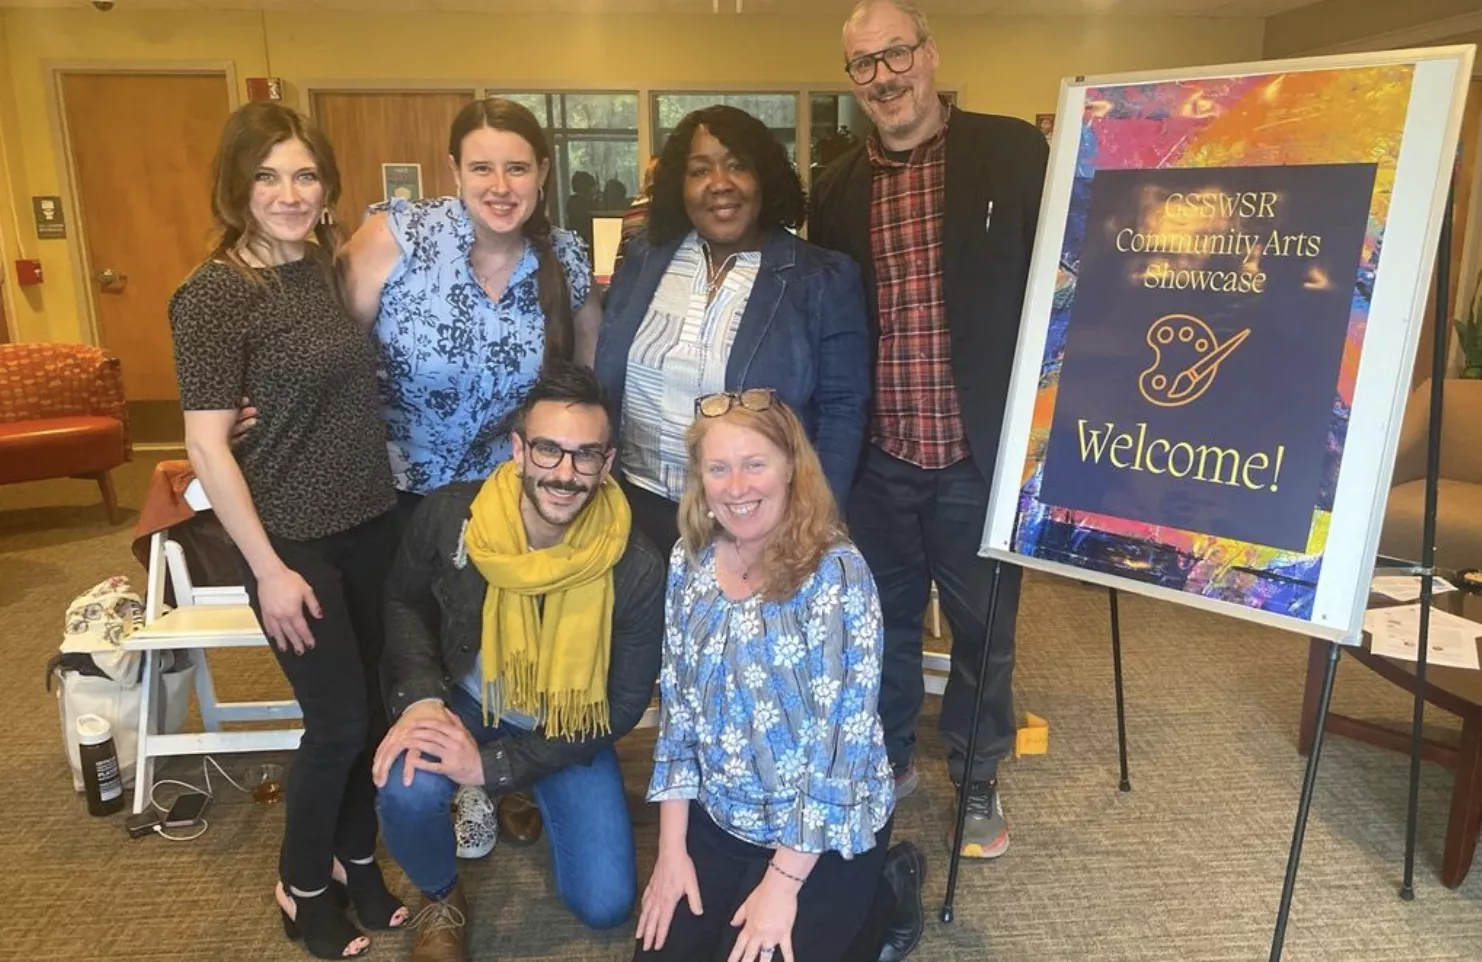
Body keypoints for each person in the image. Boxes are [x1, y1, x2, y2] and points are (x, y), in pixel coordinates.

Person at [809, 0, 1050, 859]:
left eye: (896, 54)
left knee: (986, 630)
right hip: (882, 456)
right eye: (864, 65)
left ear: (930, 54)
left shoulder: (1014, 152)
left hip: (978, 455)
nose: (884, 76)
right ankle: (891, 754)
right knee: (884, 622)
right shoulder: (835, 187)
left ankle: (977, 774)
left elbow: (1061, 282)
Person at [169, 102, 407, 959]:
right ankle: (302, 883)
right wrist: (266, 568)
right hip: (290, 540)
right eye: (268, 175)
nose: (289, 192)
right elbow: (203, 442)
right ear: (238, 187)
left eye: (304, 173)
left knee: (374, 714)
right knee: (337, 723)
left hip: (371, 520)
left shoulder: (320, 269)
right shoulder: (213, 294)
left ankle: (355, 857)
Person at [374, 361, 666, 962]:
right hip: (465, 697)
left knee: (604, 906)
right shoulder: (455, 516)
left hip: (565, 725)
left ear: (607, 463)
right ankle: (441, 894)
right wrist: (424, 698)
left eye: (585, 455)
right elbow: (403, 600)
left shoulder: (636, 563)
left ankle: (508, 789)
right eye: (548, 450)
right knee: (405, 788)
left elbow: (621, 706)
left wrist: (495, 768)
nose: (565, 474)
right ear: (518, 450)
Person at [634, 392, 924, 962]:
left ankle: (882, 899)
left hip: (822, 827)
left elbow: (837, 754)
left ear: (792, 466)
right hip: (722, 817)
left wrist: (783, 885)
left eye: (755, 464)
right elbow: (678, 717)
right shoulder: (688, 561)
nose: (737, 486)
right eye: (719, 468)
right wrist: (671, 853)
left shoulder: (838, 574)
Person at [595, 105, 871, 557]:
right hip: (634, 514)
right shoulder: (645, 260)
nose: (719, 183)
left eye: (738, 166)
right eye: (699, 170)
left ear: (764, 178)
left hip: (755, 522)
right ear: (678, 187)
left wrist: (818, 521)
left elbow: (843, 410)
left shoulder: (820, 277)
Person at [339, 97, 603, 516]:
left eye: (517, 168)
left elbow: (587, 388)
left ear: (542, 172)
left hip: (507, 500)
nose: (500, 187)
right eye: (481, 168)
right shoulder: (398, 238)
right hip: (390, 494)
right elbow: (328, 356)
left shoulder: (565, 259)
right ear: (455, 171)